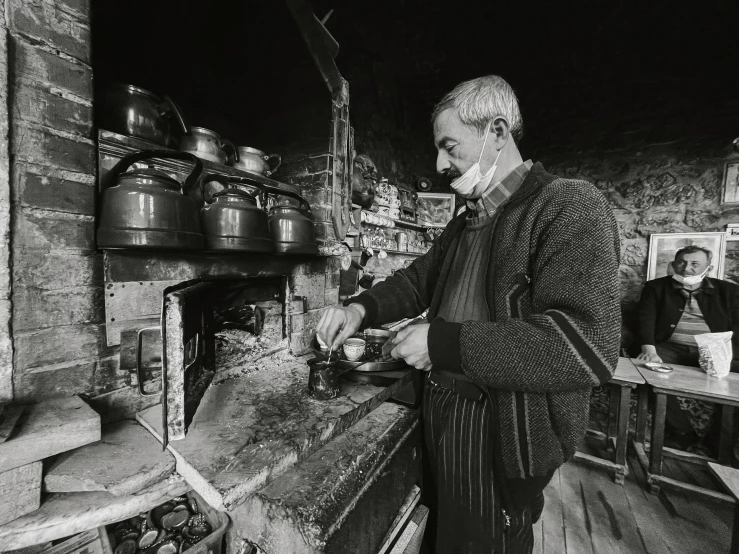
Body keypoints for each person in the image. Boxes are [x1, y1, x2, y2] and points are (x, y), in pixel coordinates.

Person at [316, 75, 621, 553]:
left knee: (485, 541)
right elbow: (418, 281)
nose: (439, 163)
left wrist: (442, 343)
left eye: (449, 146)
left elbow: (585, 345)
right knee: (445, 538)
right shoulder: (466, 222)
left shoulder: (567, 206)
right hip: (442, 409)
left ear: (497, 131)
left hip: (498, 430)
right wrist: (360, 308)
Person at [636, 245, 739, 451]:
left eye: (694, 264)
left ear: (707, 268)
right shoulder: (656, 287)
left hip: (715, 352)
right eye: (681, 263)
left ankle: (719, 441)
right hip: (670, 348)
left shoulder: (729, 291)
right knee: (644, 370)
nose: (686, 268)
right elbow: (645, 318)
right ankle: (681, 432)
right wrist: (649, 348)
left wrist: (727, 356)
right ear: (674, 264)